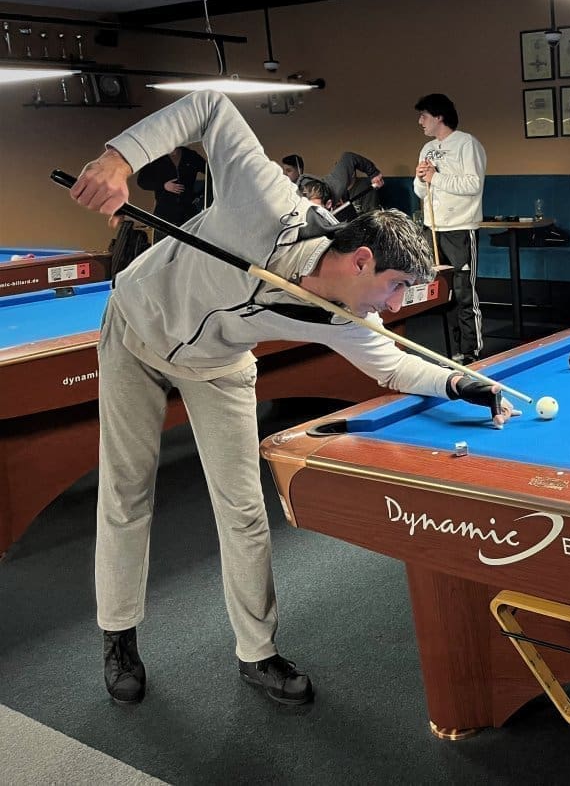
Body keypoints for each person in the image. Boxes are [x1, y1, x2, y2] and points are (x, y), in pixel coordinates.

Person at [67, 90, 518, 708]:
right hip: (135, 326)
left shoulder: (349, 313)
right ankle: (119, 637)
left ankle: (258, 653)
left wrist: (458, 382)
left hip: (219, 362)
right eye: (394, 288)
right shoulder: (266, 200)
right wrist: (119, 159)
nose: (393, 306)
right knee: (126, 490)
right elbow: (210, 107)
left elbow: (390, 366)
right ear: (361, 260)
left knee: (244, 508)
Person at [412, 93, 486, 363]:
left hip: (461, 228)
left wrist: (436, 177)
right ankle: (453, 350)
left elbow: (473, 184)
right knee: (444, 293)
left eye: (424, 116)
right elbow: (421, 191)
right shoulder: (426, 148)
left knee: (464, 292)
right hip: (433, 228)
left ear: (439, 116)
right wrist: (421, 178)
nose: (420, 122)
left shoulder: (467, 143)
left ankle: (471, 352)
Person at [136, 145, 207, 227]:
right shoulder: (156, 156)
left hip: (188, 211)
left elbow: (211, 172)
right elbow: (142, 181)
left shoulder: (190, 155)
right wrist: (163, 185)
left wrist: (200, 196)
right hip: (164, 212)